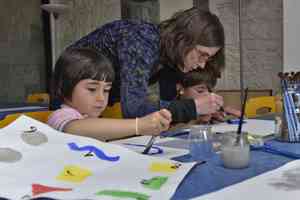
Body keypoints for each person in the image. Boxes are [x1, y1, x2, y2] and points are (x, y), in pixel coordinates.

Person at [62, 7, 225, 123]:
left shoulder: (169, 56)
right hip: (69, 95)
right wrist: (193, 108)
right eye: (202, 54)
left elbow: (167, 110)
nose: (203, 64)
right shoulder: (141, 40)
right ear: (183, 39)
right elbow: (134, 109)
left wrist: (205, 110)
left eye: (208, 58)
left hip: (95, 107)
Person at [47, 48, 172, 141]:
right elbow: (73, 129)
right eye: (92, 89)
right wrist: (138, 125)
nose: (101, 98)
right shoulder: (59, 116)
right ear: (63, 87)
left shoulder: (92, 118)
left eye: (106, 90)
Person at [176, 68, 241, 124]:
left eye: (210, 91)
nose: (208, 96)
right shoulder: (170, 110)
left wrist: (225, 117)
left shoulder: (212, 113)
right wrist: (197, 120)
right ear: (181, 88)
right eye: (200, 91)